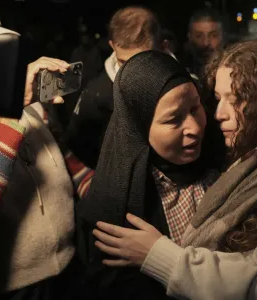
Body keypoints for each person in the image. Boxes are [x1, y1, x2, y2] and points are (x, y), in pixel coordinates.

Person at [92, 41, 257, 300]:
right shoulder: (245, 151)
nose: (218, 113)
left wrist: (159, 255)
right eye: (218, 98)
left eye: (237, 98)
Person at [75, 50, 220, 300]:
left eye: (196, 107)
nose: (195, 128)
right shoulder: (116, 205)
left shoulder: (223, 163)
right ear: (139, 127)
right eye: (174, 119)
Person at [0, 5, 78, 299]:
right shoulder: (16, 100)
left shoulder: (26, 101)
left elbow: (58, 156)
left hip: (67, 265)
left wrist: (93, 184)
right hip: (8, 286)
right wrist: (9, 112)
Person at [66, 6, 162, 168]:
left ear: (161, 45)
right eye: (124, 62)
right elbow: (80, 148)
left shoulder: (180, 82)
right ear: (112, 45)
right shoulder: (95, 96)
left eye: (142, 59)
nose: (133, 70)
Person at [182, 8, 224, 81]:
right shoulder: (180, 72)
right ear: (189, 37)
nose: (206, 43)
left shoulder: (234, 73)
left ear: (222, 36)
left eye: (213, 35)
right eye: (199, 36)